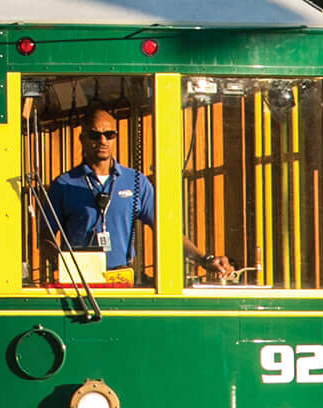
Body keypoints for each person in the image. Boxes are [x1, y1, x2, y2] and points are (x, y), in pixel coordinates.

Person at [45, 108, 234, 281]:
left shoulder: (135, 181)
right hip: (80, 285)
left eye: (109, 135)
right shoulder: (64, 184)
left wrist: (204, 259)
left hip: (121, 280)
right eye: (94, 135)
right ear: (82, 138)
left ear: (115, 138)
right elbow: (45, 238)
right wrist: (64, 267)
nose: (102, 141)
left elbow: (166, 231)